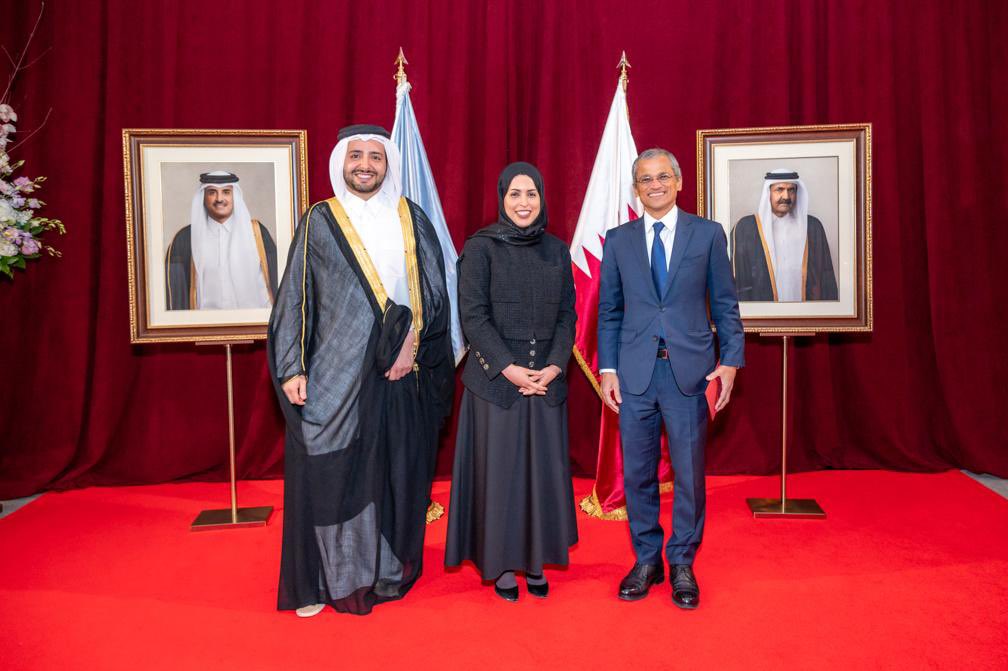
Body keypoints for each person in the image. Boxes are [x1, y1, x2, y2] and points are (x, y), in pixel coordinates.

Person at [267, 124, 454, 617]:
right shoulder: (319, 220)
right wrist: (291, 366)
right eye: (356, 156)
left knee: (396, 470)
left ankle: (388, 568)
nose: (365, 164)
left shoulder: (411, 217)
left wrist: (410, 343)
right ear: (341, 163)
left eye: (375, 156)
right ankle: (325, 579)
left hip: (402, 371)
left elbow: (434, 291)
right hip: (336, 373)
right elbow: (296, 298)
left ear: (388, 163)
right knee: (331, 471)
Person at [597, 147, 744, 610]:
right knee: (638, 473)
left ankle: (682, 560)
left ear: (679, 182)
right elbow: (609, 310)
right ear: (635, 188)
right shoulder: (618, 240)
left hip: (690, 374)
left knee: (689, 474)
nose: (654, 185)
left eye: (663, 177)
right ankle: (647, 559)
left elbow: (725, 304)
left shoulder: (707, 234)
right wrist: (608, 368)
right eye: (645, 179)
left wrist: (731, 362)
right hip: (636, 374)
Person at [445, 162, 578, 602]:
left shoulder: (557, 250)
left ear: (542, 199)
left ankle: (537, 560)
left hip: (546, 382)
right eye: (515, 194)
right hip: (497, 384)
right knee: (501, 478)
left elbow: (567, 317)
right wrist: (508, 367)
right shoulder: (480, 248)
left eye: (532, 194)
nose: (524, 203)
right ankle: (502, 564)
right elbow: (473, 318)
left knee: (541, 476)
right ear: (502, 198)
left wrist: (556, 366)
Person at [165, 171, 277, 310]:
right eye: (212, 192)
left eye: (226, 192)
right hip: (204, 327)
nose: (219, 198)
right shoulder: (185, 238)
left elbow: (279, 282)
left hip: (253, 324)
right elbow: (175, 295)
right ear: (203, 197)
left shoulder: (257, 233)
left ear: (235, 195)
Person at [731, 169, 838, 302]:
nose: (786, 196)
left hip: (806, 314)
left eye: (791, 190)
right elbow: (739, 280)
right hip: (763, 314)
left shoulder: (813, 226)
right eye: (779, 189)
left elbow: (826, 276)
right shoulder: (745, 228)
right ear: (768, 193)